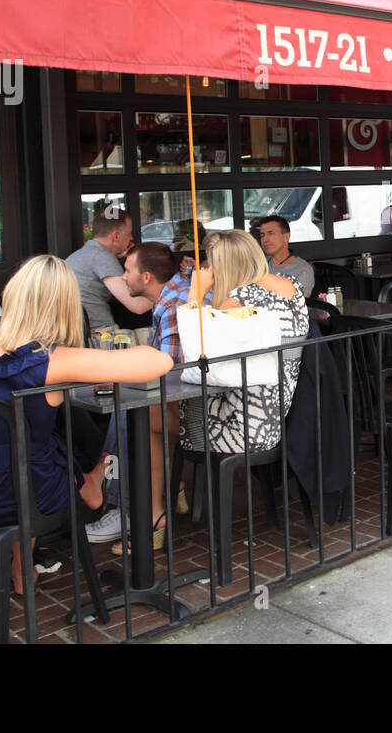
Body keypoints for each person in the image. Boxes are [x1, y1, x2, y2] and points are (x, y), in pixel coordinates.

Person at [0, 254, 172, 594]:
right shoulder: (51, 360)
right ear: (64, 307)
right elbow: (158, 361)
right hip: (18, 498)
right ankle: (87, 488)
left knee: (30, 449)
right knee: (42, 455)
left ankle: (28, 559)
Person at [87, 241, 187, 545]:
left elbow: (170, 373)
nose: (123, 277)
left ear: (146, 277)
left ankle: (127, 508)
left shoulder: (172, 306)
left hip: (196, 414)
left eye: (127, 271)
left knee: (132, 411)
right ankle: (170, 488)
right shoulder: (175, 294)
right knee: (133, 406)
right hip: (195, 403)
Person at [180, 229, 309, 457]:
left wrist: (195, 294)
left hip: (240, 426)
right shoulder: (290, 288)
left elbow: (192, 361)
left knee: (149, 418)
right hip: (275, 417)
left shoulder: (237, 303)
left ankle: (180, 491)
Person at [66, 209, 153, 330]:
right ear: (116, 235)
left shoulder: (84, 254)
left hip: (77, 330)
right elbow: (138, 306)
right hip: (98, 333)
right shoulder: (102, 257)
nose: (132, 238)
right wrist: (165, 292)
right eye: (129, 233)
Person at [255, 215, 315, 298]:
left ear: (286, 237)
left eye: (271, 233)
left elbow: (300, 304)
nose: (265, 240)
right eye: (262, 235)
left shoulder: (303, 269)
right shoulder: (260, 264)